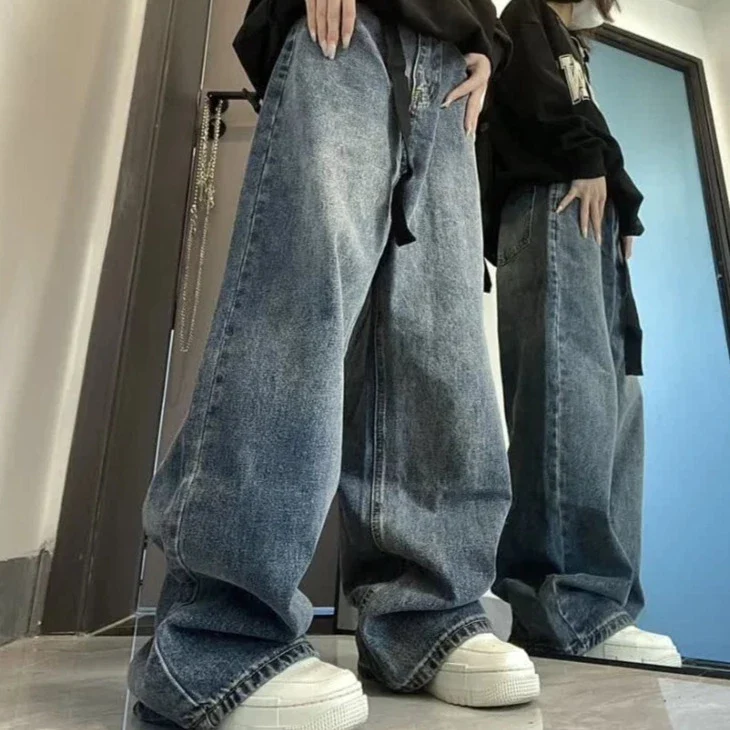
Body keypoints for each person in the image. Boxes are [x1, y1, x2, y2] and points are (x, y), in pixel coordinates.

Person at [129, 1, 542, 728]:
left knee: (440, 343)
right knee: (296, 309)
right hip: (344, 29)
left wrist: (489, 43)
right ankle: (219, 633)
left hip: (449, 65)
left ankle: (426, 615)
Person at [480, 0, 681, 667]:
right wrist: (589, 162)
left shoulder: (572, 43)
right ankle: (570, 606)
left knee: (614, 407)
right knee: (570, 402)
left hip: (584, 217)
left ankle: (598, 605)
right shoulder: (528, 14)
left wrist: (619, 202)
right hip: (554, 201)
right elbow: (536, 105)